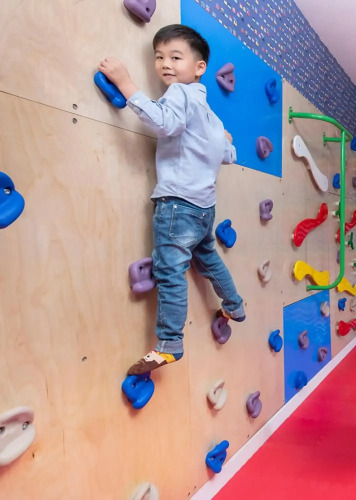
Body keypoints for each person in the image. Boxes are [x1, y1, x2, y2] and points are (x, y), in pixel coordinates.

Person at [98, 24, 245, 375]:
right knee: (209, 260)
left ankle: (169, 343)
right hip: (204, 209)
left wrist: (126, 84)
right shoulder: (210, 115)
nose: (165, 64)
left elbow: (164, 123)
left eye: (176, 57)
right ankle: (235, 306)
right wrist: (225, 140)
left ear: (199, 67)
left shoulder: (179, 93)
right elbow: (229, 154)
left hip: (177, 204)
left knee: (169, 271)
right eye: (159, 57)